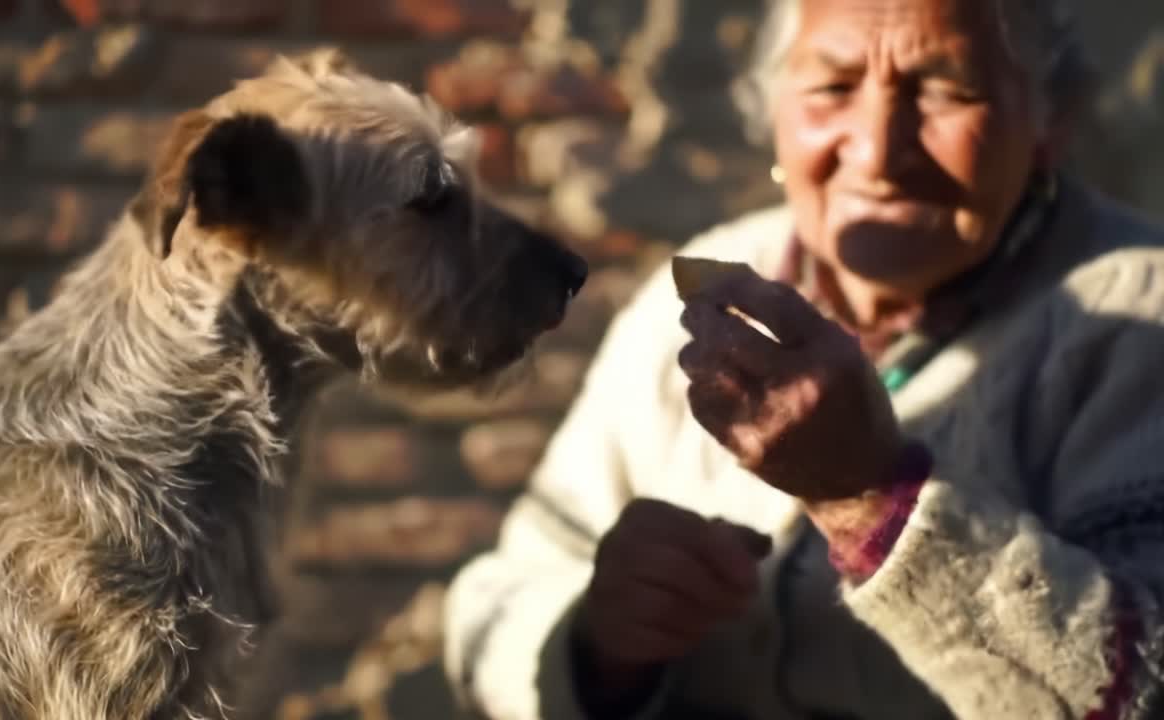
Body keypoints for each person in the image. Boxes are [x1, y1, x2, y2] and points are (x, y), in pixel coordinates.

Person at [442, 0, 1164, 718]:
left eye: (949, 91)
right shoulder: (692, 305)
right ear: (774, 109)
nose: (879, 150)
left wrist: (873, 502)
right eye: (832, 87)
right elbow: (494, 604)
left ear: (1049, 121)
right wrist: (596, 642)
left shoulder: (1138, 315)